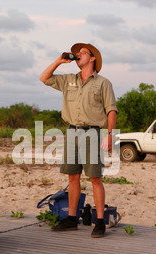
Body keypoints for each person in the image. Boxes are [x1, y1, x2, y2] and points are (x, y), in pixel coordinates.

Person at [39, 43, 117, 238]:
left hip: (92, 133)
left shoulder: (103, 83)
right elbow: (44, 78)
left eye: (83, 53)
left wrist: (109, 135)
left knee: (95, 178)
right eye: (78, 53)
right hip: (72, 132)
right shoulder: (68, 80)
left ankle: (99, 221)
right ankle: (71, 219)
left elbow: (111, 110)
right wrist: (59, 61)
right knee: (72, 177)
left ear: (92, 59)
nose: (78, 55)